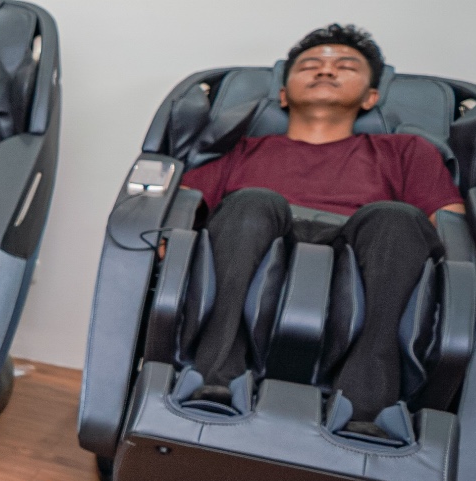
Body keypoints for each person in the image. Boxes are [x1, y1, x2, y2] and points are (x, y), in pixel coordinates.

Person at [174, 22, 461, 440]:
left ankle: (368, 406)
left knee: (397, 218)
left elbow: (451, 227)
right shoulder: (239, 151)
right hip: (258, 242)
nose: (325, 70)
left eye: (345, 66)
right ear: (284, 94)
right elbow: (178, 209)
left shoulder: (405, 151)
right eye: (310, 64)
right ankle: (214, 377)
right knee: (253, 201)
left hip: (364, 256)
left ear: (371, 97)